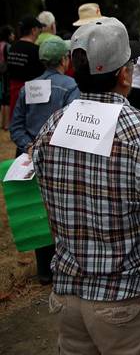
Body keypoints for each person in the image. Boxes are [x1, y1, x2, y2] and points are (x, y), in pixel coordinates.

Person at [32, 17, 140, 354]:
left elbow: (50, 204)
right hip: (127, 299)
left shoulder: (51, 127)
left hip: (69, 295)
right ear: (124, 74)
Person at [9, 36, 79, 285]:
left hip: (29, 159)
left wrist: (29, 145)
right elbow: (71, 124)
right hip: (58, 160)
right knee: (61, 210)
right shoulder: (71, 86)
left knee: (38, 211)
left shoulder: (28, 87)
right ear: (64, 59)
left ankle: (44, 271)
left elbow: (14, 126)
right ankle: (63, 265)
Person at [7, 16, 45, 118]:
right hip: (31, 97)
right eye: (39, 31)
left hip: (14, 96)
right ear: (33, 30)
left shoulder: (12, 48)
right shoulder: (36, 50)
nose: (38, 35)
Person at [0, 25, 14, 129]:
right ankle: (6, 124)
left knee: (3, 99)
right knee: (7, 99)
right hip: (7, 74)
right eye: (12, 33)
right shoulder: (8, 46)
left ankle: (2, 123)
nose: (13, 35)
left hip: (1, 74)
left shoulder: (0, 44)